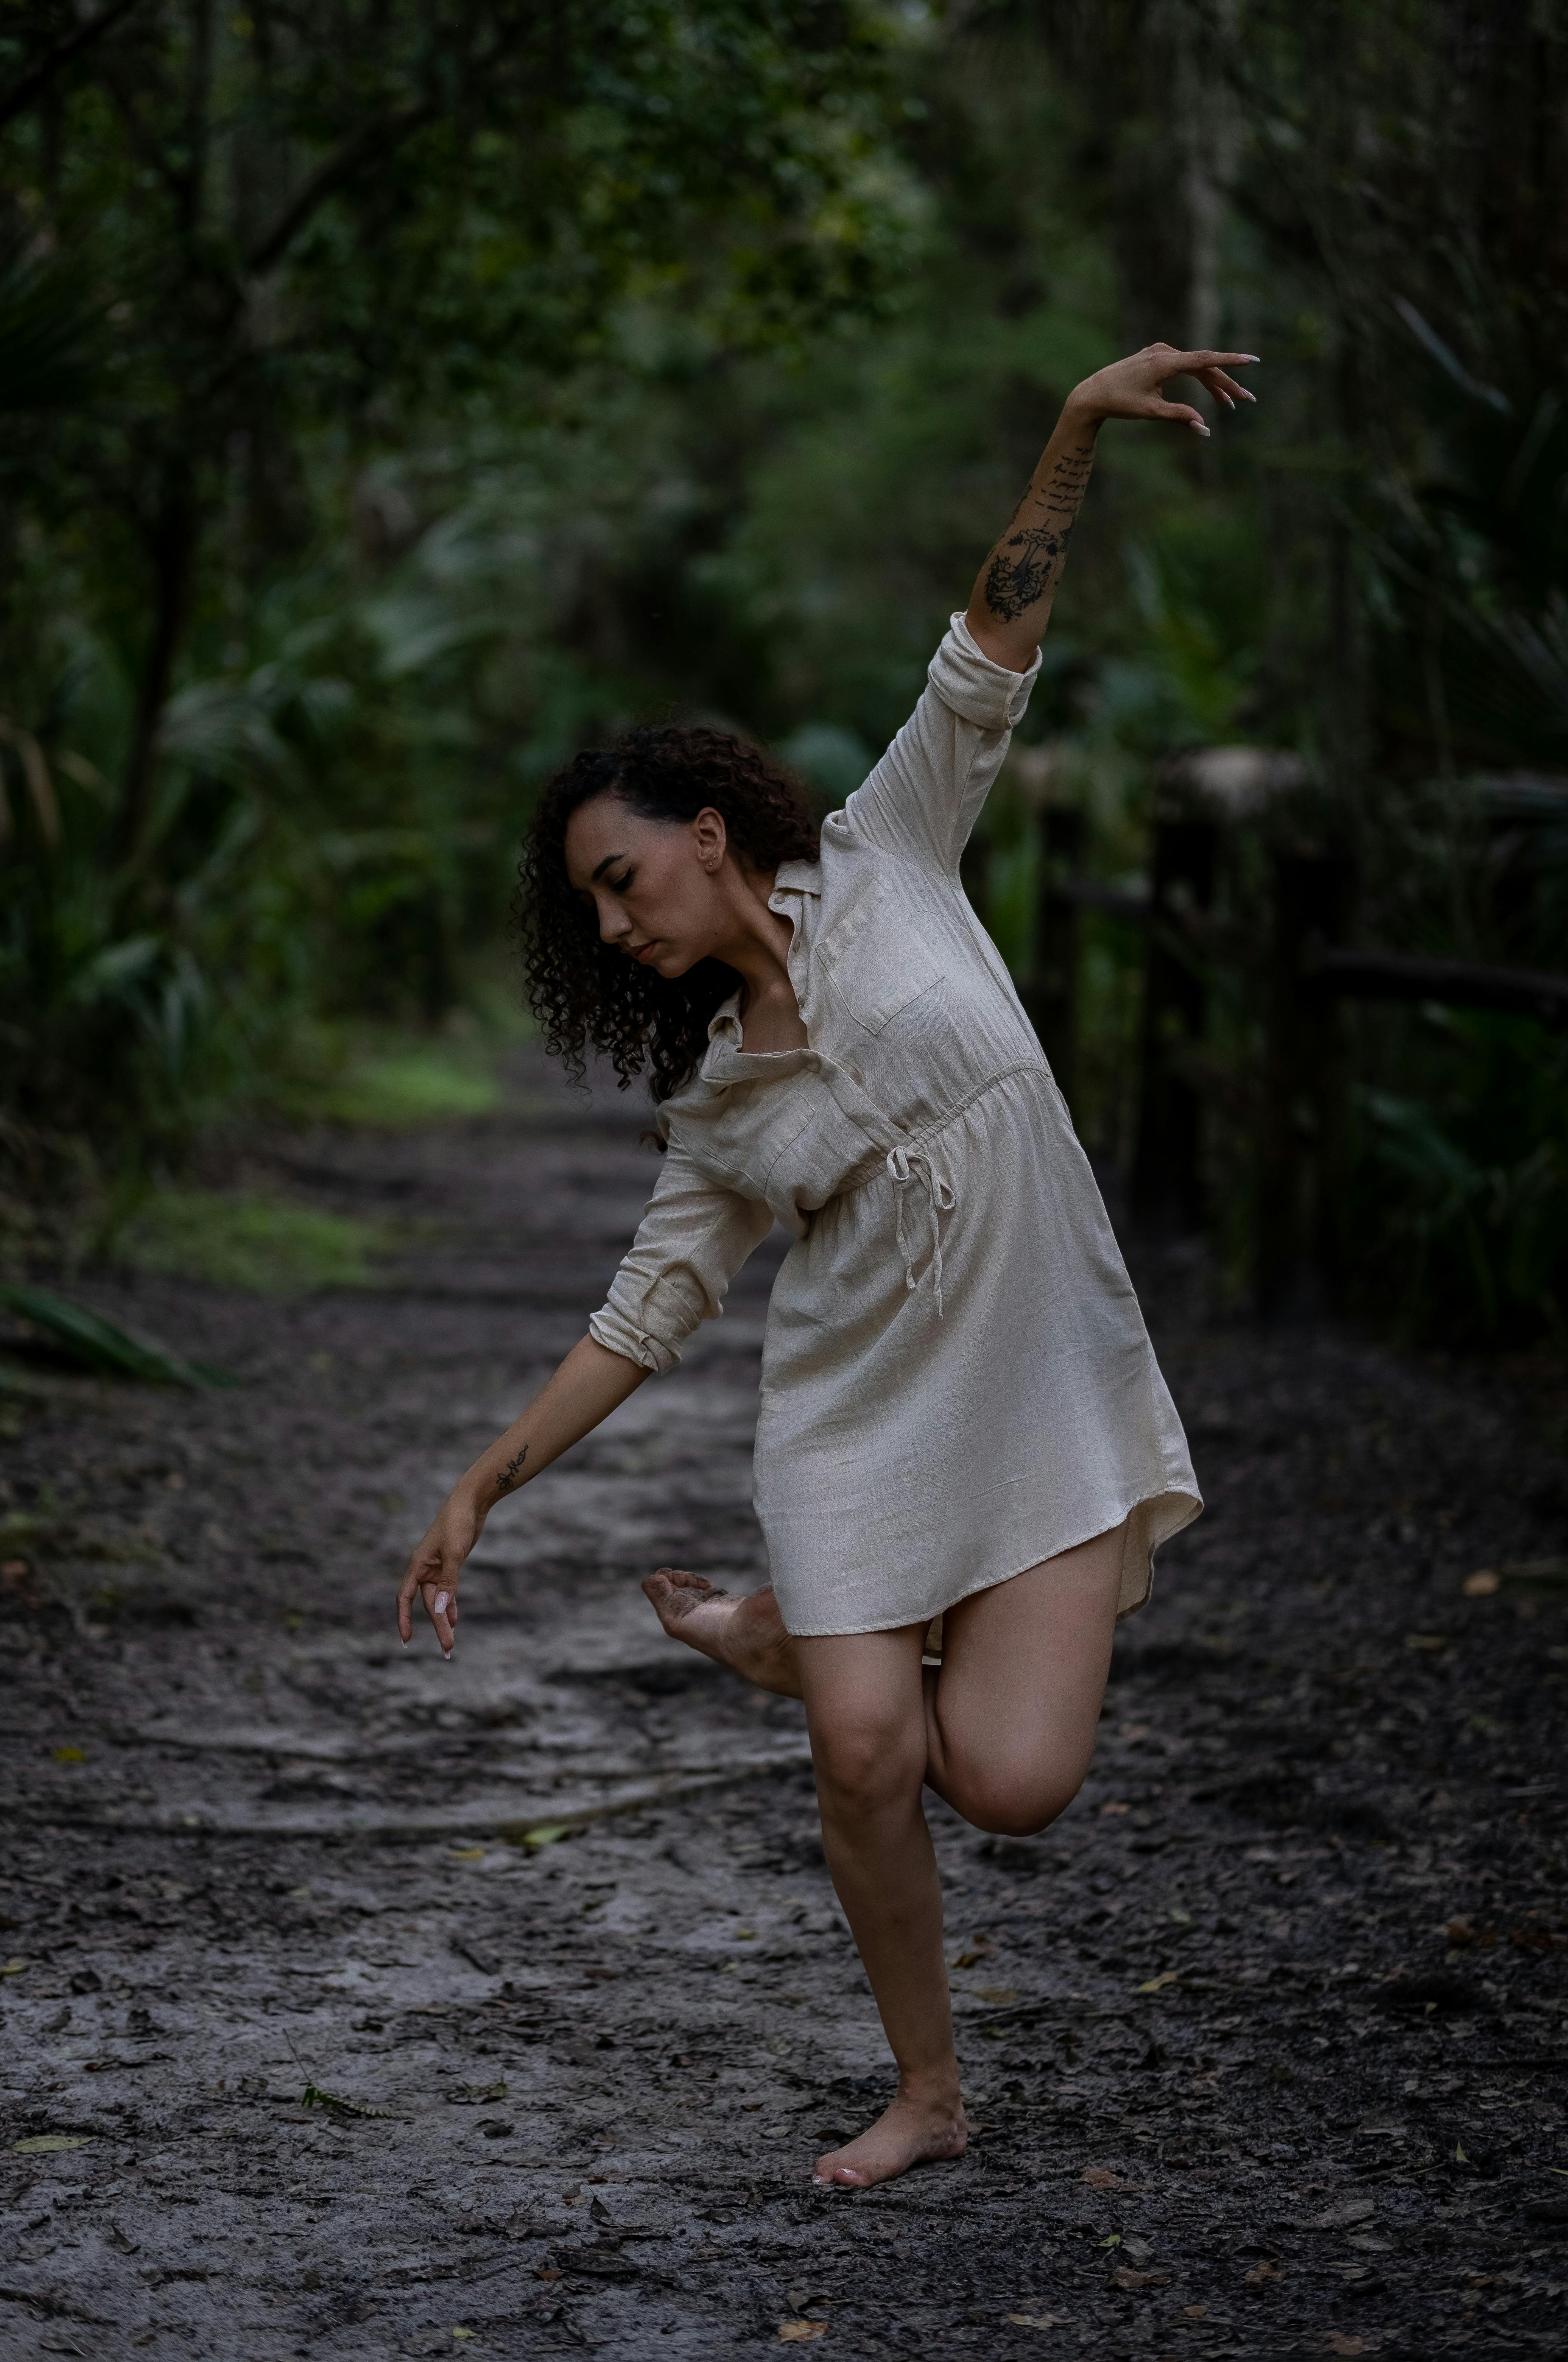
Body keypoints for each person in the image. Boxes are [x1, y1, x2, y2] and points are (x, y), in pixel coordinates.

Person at [397, 343, 1249, 2190]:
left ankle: (799, 1655)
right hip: (856, 1425)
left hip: (1033, 1385)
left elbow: (990, 642)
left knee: (1015, 1785)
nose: (615, 927)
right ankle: (926, 2097)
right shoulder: (713, 1104)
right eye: (592, 912)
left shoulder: (896, 851)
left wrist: (1072, 432)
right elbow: (645, 1317)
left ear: (709, 839)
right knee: (873, 1763)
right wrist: (483, 1480)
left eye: (622, 882)